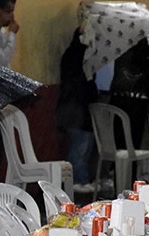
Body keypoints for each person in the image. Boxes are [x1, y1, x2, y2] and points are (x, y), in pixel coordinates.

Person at [109, 19, 149, 150]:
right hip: (135, 97)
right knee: (132, 141)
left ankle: (119, 168)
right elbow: (139, 57)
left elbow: (144, 53)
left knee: (121, 139)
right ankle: (129, 169)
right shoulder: (133, 40)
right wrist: (148, 61)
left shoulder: (121, 39)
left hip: (120, 95)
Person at [56, 27, 98, 193]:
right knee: (79, 147)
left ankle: (81, 179)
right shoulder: (74, 56)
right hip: (74, 110)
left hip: (79, 110)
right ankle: (76, 180)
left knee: (84, 145)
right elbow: (76, 83)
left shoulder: (83, 58)